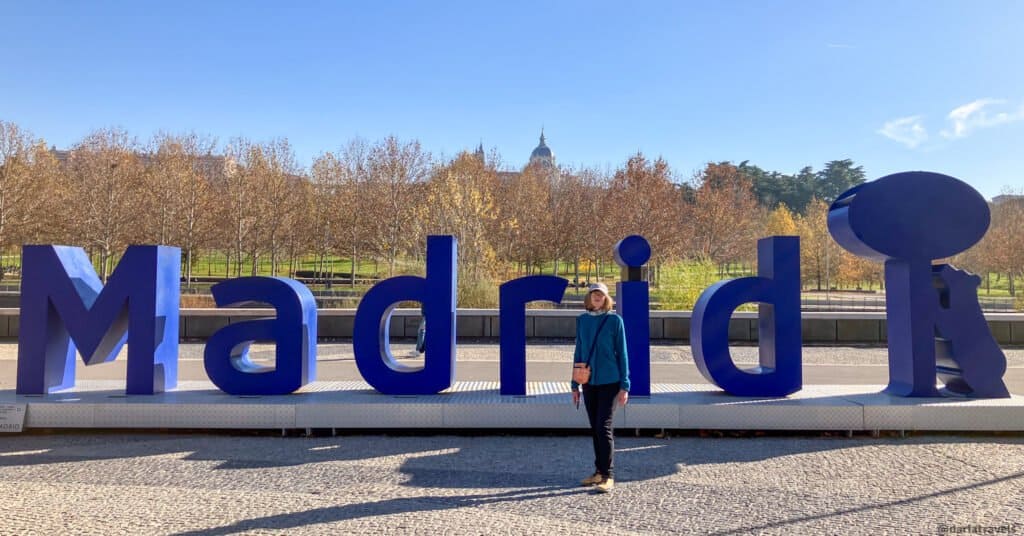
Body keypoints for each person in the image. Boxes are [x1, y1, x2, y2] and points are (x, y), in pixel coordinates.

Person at [571, 282, 629, 493]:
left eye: (601, 294)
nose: (597, 297)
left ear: (606, 298)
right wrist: (574, 383)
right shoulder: (582, 320)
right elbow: (579, 351)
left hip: (610, 381)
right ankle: (598, 471)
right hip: (589, 382)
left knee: (604, 427)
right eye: (594, 294)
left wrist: (625, 385)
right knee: (595, 427)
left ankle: (608, 475)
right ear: (589, 297)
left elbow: (622, 353)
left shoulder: (614, 320)